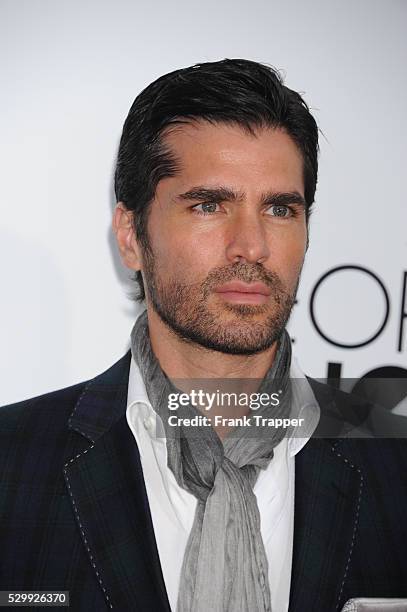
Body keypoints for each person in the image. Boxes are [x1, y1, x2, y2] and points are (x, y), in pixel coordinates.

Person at [0, 59, 406, 612]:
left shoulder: (394, 456)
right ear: (131, 236)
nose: (251, 246)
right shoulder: (12, 463)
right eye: (209, 205)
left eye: (280, 208)